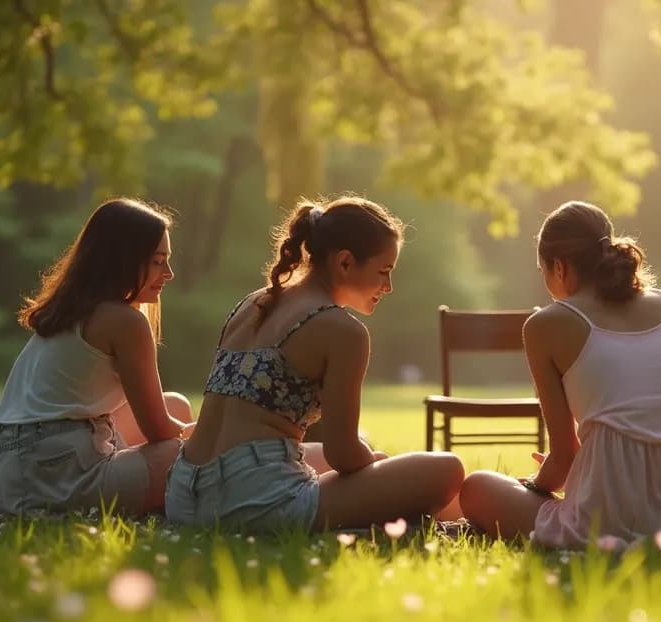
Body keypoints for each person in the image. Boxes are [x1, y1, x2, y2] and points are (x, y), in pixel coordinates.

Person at [166, 196, 464, 533]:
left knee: (342, 461)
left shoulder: (252, 303)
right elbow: (344, 455)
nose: (389, 287)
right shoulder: (342, 330)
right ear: (345, 262)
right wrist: (374, 465)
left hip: (184, 492)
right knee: (446, 470)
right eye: (384, 272)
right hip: (252, 500)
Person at [458, 201, 661, 550]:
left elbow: (565, 458)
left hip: (608, 525)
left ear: (558, 267)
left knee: (478, 488)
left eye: (542, 270)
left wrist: (536, 484)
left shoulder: (546, 325)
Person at [0, 198, 193, 516]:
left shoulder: (72, 309)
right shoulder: (125, 321)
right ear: (123, 261)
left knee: (176, 405)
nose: (169, 274)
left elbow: (160, 418)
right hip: (47, 474)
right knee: (186, 455)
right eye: (158, 262)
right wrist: (216, 432)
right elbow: (159, 431)